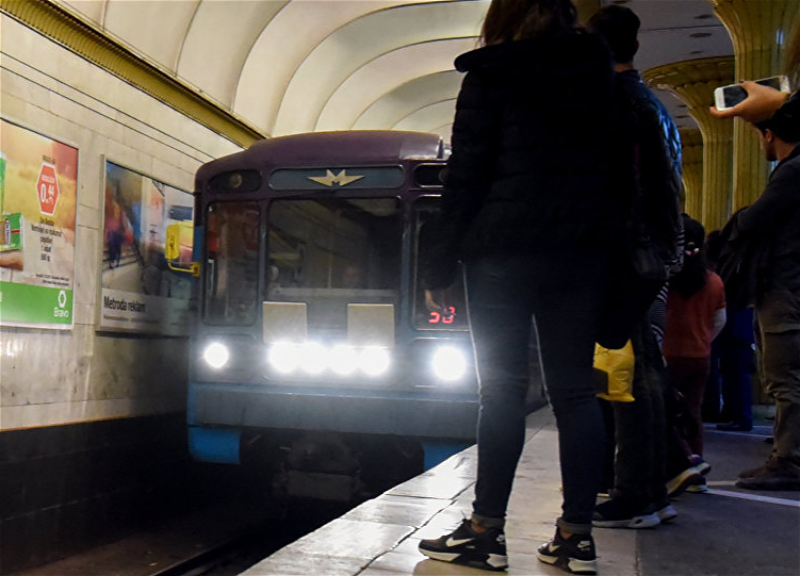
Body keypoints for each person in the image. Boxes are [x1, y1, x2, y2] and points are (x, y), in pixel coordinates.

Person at [416, 0, 621, 572]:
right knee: (575, 393)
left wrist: (439, 266)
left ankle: (485, 533)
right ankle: (576, 537)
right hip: (580, 252)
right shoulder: (598, 72)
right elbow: (616, 171)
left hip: (502, 250)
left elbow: (466, 175)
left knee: (502, 390)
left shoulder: (490, 73)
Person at [586, 4, 683, 530]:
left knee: (628, 378)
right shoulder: (654, 106)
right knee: (644, 371)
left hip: (628, 254)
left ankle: (635, 495)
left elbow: (618, 189)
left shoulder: (618, 104)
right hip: (652, 251)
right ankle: (653, 490)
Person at [712, 90, 800, 491]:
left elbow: (752, 221)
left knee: (785, 377)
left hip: (785, 289)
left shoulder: (792, 171)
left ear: (769, 135)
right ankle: (785, 455)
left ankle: (789, 460)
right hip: (783, 287)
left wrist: (729, 230)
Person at [662, 215, 727, 492]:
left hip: (667, 354)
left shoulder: (667, 278)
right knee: (692, 411)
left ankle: (679, 466)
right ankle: (697, 471)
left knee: (664, 413)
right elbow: (720, 319)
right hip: (699, 355)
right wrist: (704, 340)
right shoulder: (714, 281)